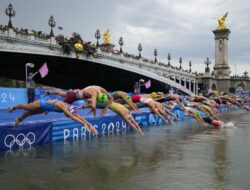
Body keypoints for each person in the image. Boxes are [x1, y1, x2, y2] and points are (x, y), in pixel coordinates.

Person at [8, 99, 98, 135]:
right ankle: (14, 107)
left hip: (45, 108)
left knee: (30, 113)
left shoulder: (70, 108)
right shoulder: (64, 107)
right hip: (41, 103)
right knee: (26, 107)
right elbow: (72, 116)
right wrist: (83, 124)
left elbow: (79, 117)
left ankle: (18, 120)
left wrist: (90, 125)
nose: (68, 117)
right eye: (68, 116)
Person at [45, 85, 114, 116]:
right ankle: (50, 106)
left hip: (75, 92)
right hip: (73, 96)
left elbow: (111, 98)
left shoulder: (100, 88)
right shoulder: (94, 93)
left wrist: (106, 108)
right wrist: (94, 114)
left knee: (62, 93)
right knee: (61, 107)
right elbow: (93, 106)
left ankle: (48, 92)